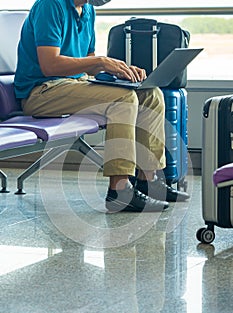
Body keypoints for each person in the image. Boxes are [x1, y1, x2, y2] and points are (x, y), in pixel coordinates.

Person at [14, 0, 190, 213]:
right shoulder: (50, 5)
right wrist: (101, 62)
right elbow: (50, 65)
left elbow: (86, 61)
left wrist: (120, 72)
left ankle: (149, 182)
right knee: (123, 100)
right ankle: (120, 190)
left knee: (151, 94)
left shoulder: (87, 10)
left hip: (73, 84)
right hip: (42, 91)